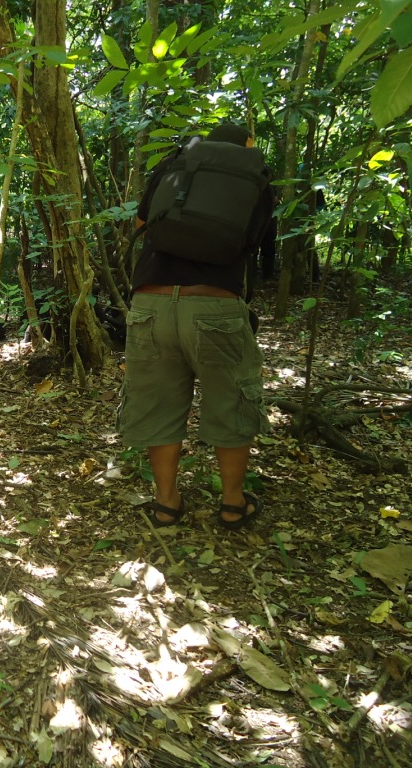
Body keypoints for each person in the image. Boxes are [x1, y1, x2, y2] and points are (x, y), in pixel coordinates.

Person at [117, 122, 272, 530]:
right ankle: (233, 504)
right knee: (230, 403)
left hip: (150, 301)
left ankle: (166, 504)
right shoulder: (253, 179)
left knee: (159, 405)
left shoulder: (176, 167)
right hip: (214, 302)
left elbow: (141, 227)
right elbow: (252, 244)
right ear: (246, 146)